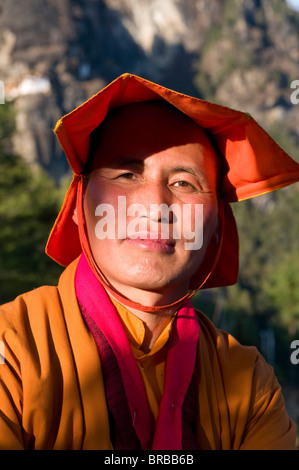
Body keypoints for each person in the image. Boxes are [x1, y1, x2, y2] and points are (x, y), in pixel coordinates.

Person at [0, 73, 298, 450]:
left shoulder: (247, 381)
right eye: (127, 174)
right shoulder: (12, 348)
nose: (155, 206)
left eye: (184, 184)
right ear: (78, 207)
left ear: (217, 231)